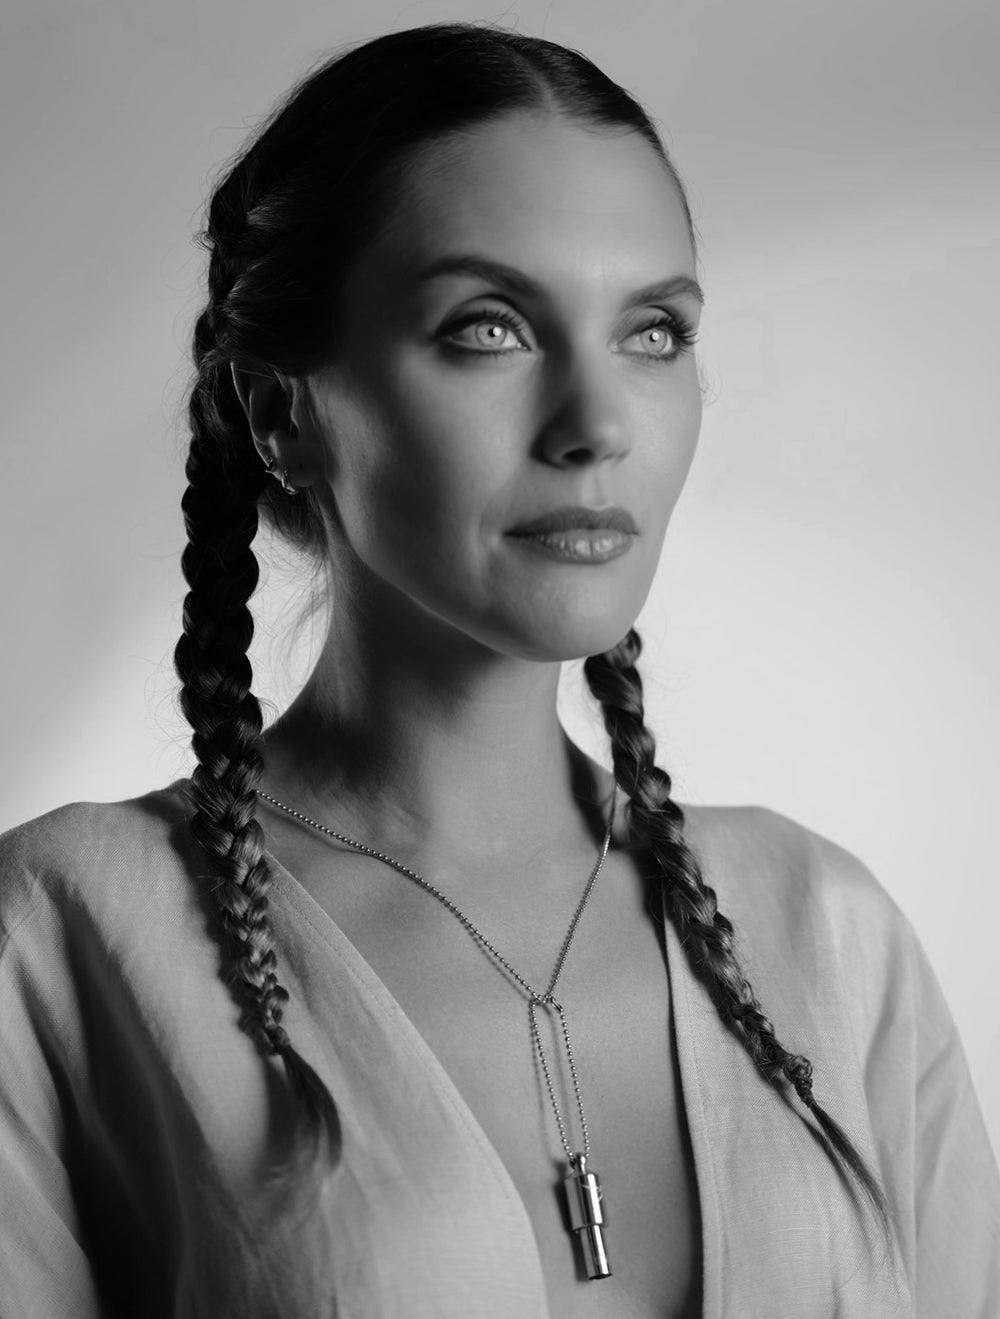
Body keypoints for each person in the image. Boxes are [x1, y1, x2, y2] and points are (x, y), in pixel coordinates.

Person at [1, 20, 997, 1319]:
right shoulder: (68, 935)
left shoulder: (828, 930)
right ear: (281, 411)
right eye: (487, 327)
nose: (596, 425)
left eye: (652, 332)